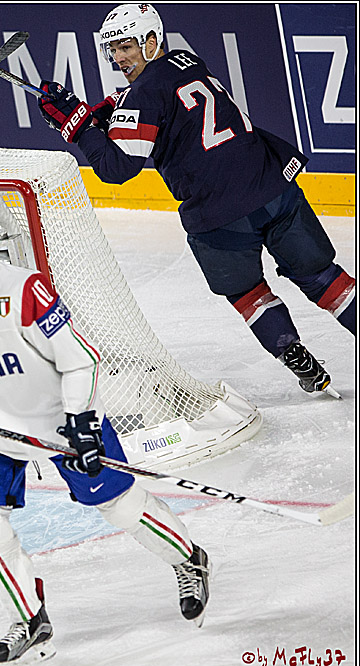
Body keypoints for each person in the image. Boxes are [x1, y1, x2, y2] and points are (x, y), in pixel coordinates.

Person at [0, 202, 211, 666]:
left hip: (60, 426)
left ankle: (190, 560)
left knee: (121, 506)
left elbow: (80, 358)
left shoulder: (24, 291)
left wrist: (83, 422)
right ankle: (29, 620)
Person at [36, 3, 355, 397]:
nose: (118, 58)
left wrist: (79, 125)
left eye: (126, 46)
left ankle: (292, 354)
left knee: (246, 291)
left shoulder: (144, 95)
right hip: (273, 185)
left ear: (152, 41)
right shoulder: (188, 60)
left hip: (219, 212)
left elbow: (117, 169)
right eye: (112, 49)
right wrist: (115, 109)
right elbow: (162, 100)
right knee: (322, 276)